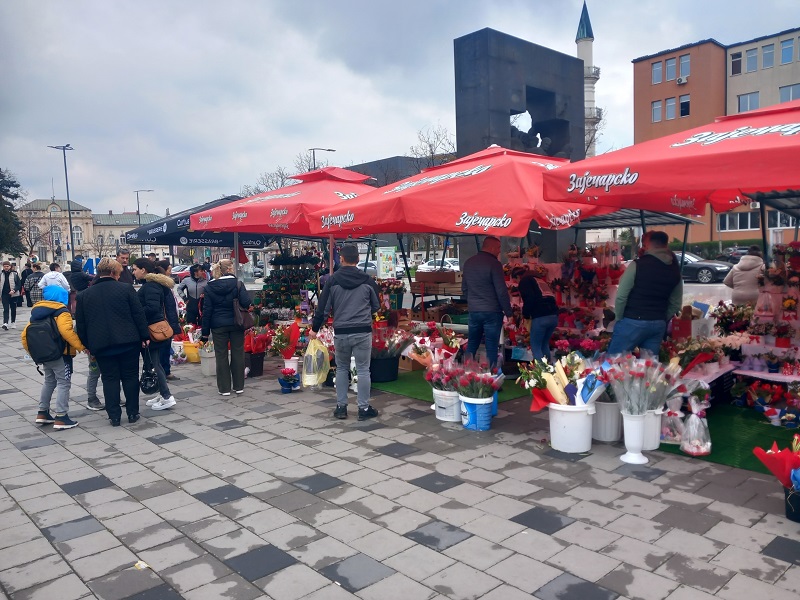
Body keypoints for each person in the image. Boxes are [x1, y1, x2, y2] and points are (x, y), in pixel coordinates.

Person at [75, 257, 150, 426]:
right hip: (128, 341)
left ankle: (114, 416)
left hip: (101, 344)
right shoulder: (126, 289)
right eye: (118, 273)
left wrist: (87, 345)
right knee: (130, 377)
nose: (118, 276)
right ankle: (132, 413)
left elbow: (81, 324)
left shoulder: (84, 295)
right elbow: (138, 314)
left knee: (109, 379)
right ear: (112, 272)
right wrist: (144, 336)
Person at [309, 244, 380, 421]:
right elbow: (376, 306)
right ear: (358, 259)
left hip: (341, 331)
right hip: (362, 331)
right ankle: (363, 409)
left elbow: (323, 309)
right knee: (363, 369)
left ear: (341, 259)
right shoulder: (368, 280)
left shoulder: (332, 281)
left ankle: (341, 407)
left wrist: (315, 329)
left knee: (341, 368)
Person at [608, 231, 683, 356]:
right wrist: (661, 317)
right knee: (648, 368)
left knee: (613, 364)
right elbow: (676, 304)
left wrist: (619, 319)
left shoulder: (637, 265)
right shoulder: (675, 270)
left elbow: (621, 296)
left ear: (648, 245)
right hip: (658, 323)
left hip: (632, 320)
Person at [21, 285, 85, 429]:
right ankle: (62, 417)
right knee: (64, 382)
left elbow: (25, 335)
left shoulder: (36, 312)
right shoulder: (62, 312)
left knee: (49, 381)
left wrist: (34, 354)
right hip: (61, 354)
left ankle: (42, 413)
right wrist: (81, 347)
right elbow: (66, 332)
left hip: (45, 354)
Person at [132, 259, 179, 410]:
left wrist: (137, 313)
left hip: (154, 330)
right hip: (157, 329)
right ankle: (162, 394)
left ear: (143, 270)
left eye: (135, 269)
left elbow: (152, 308)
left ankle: (166, 396)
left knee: (156, 364)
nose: (133, 272)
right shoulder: (153, 284)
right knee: (155, 363)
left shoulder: (151, 286)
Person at [200, 259, 251, 396]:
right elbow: (246, 302)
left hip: (218, 325)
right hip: (236, 323)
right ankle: (239, 386)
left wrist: (205, 333)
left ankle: (224, 388)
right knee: (238, 353)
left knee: (221, 355)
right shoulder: (238, 284)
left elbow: (207, 312)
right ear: (229, 269)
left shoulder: (209, 287)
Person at [462, 236, 513, 368]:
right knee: (491, 347)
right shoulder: (494, 264)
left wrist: (473, 302)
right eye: (498, 248)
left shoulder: (468, 263)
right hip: (492, 312)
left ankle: (465, 375)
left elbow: (464, 289)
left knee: (472, 344)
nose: (499, 252)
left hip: (474, 311)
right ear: (490, 248)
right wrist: (509, 312)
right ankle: (491, 378)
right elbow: (501, 291)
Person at [511, 265, 558, 361]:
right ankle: (549, 370)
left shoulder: (525, 281)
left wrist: (526, 315)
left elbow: (529, 299)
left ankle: (542, 373)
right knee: (544, 344)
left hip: (540, 316)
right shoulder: (539, 280)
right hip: (553, 315)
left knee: (536, 346)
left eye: (516, 281)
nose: (517, 283)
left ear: (518, 277)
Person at [155, 259, 180, 381]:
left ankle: (166, 370)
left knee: (166, 347)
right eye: (169, 269)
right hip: (164, 322)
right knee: (163, 349)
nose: (171, 271)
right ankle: (163, 372)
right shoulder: (161, 286)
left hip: (169, 320)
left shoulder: (167, 285)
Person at [1, 261, 22, 330]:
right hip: (4, 294)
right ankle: (5, 323)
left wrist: (14, 290)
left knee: (13, 309)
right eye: (4, 266)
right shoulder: (1, 274)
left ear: (10, 267)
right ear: (3, 267)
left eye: (7, 266)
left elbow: (19, 284)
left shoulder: (14, 274)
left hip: (13, 294)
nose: (6, 267)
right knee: (6, 309)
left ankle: (13, 322)